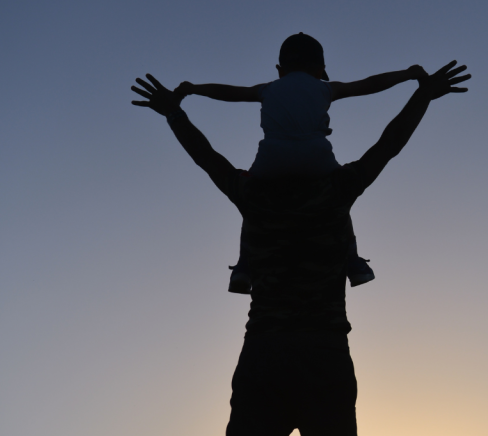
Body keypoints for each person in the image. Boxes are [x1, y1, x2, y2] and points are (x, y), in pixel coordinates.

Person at [130, 60, 469, 436]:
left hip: (264, 356)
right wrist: (422, 95)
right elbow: (387, 145)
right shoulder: (336, 190)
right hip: (324, 358)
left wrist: (174, 112)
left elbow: (208, 158)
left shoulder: (254, 193)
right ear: (320, 77)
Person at [175, 33, 428, 294]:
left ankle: (243, 267)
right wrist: (407, 74)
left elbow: (229, 92)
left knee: (249, 199)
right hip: (316, 159)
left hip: (271, 161)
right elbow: (368, 84)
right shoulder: (326, 87)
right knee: (342, 191)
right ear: (320, 69)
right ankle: (353, 262)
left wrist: (194, 89)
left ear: (280, 70)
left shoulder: (268, 89)